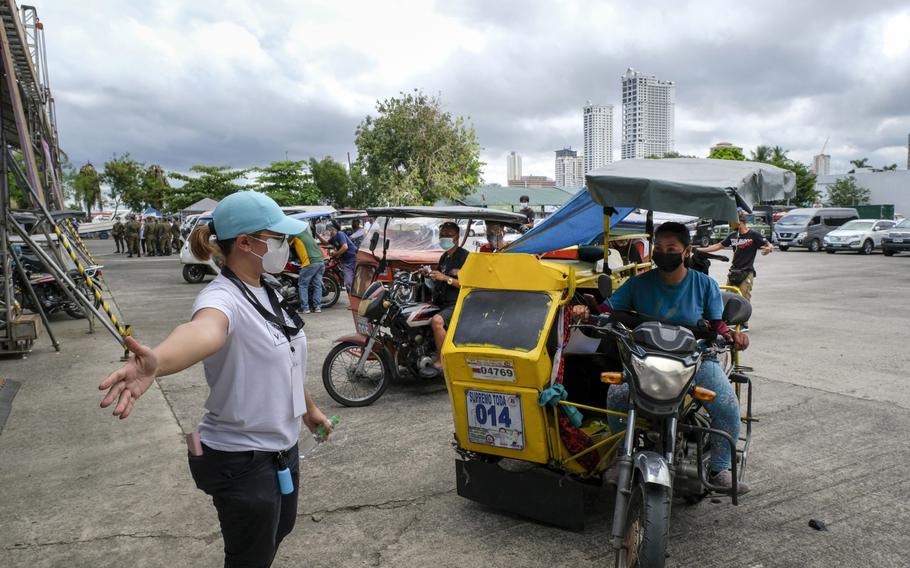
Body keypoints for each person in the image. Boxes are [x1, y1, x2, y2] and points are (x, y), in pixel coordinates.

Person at [98, 191, 333, 567]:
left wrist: (309, 409)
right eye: (276, 239)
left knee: (279, 530)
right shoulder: (222, 298)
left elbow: (284, 361)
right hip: (242, 459)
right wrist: (158, 360)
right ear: (245, 243)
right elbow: (204, 332)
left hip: (282, 449)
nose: (285, 247)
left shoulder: (267, 289)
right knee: (250, 556)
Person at [594, 222, 751, 494]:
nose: (664, 253)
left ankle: (719, 468)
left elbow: (717, 325)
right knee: (617, 396)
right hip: (644, 359)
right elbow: (607, 308)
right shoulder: (638, 283)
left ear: (686, 251)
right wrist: (586, 309)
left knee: (726, 405)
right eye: (660, 248)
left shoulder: (705, 285)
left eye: (672, 249)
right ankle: (622, 456)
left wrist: (732, 336)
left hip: (695, 359)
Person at [697, 212, 772, 304]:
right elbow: (718, 245)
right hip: (733, 272)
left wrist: (768, 248)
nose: (730, 224)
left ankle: (743, 318)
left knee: (743, 299)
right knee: (727, 299)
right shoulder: (733, 236)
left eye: (731, 222)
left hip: (746, 273)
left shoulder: (753, 235)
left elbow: (769, 245)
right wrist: (699, 250)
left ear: (740, 221)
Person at [429, 222, 469, 369]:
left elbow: (468, 284)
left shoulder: (465, 257)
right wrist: (431, 275)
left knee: (437, 321)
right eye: (442, 235)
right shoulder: (444, 257)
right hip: (441, 300)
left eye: (448, 235)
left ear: (457, 237)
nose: (444, 238)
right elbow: (440, 276)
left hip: (458, 303)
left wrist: (446, 278)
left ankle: (443, 360)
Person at [291, 226, 325, 314]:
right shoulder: (309, 235)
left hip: (310, 262)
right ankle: (317, 307)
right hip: (321, 262)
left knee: (302, 284)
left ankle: (305, 308)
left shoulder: (294, 234)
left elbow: (285, 245)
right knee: (317, 285)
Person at [323, 221, 357, 292]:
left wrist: (336, 253)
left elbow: (345, 247)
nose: (327, 232)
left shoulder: (340, 234)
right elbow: (325, 243)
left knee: (348, 282)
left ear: (332, 230)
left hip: (351, 258)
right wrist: (316, 235)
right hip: (346, 260)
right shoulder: (333, 238)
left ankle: (353, 297)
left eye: (328, 230)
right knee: (351, 280)